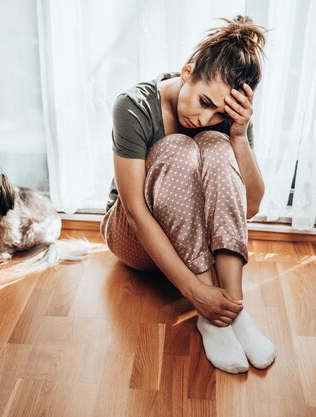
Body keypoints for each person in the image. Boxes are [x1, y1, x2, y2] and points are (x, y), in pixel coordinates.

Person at [100, 15, 275, 374]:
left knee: (215, 144)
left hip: (195, 244)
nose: (206, 117)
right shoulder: (133, 106)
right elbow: (134, 213)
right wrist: (195, 294)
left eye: (218, 112)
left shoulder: (228, 117)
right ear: (187, 72)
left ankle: (232, 309)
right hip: (134, 238)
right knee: (177, 147)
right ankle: (210, 315)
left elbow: (251, 207)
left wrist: (238, 135)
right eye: (204, 101)